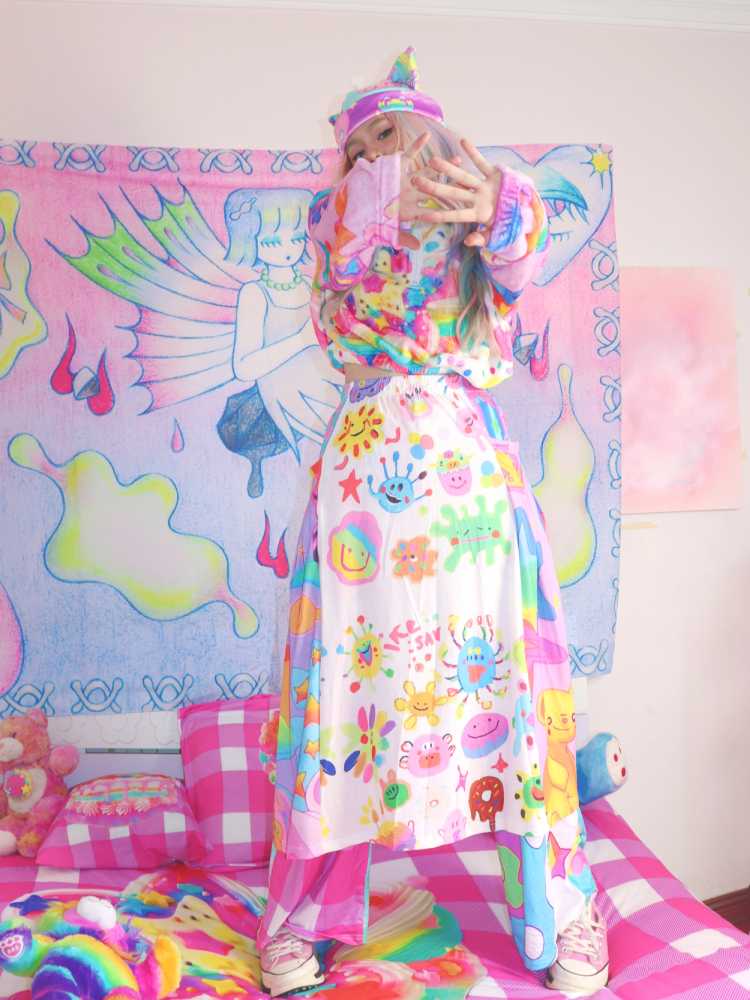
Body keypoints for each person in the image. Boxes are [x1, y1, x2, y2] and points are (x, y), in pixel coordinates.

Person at [257, 47, 609, 997]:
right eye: (368, 136)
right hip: (362, 492)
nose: (388, 148)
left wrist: (498, 204)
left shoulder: (477, 219)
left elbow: (522, 255)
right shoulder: (332, 224)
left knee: (515, 691)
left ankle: (564, 904)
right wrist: (363, 209)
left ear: (441, 143)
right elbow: (339, 285)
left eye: (405, 132)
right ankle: (301, 915)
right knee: (340, 695)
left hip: (468, 487)